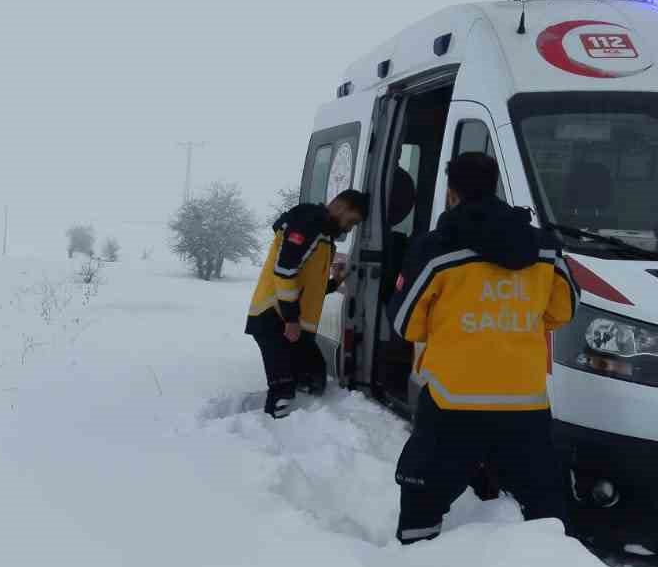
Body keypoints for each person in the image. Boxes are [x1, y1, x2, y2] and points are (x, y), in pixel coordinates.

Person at [390, 151, 578, 544]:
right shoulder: (545, 248)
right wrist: (515, 323)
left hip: (451, 398)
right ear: (494, 185)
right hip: (525, 401)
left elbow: (407, 323)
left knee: (424, 494)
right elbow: (563, 310)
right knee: (543, 506)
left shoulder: (436, 248)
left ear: (452, 193)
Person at [246, 188, 368, 417]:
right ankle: (268, 439)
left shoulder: (325, 237)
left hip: (294, 323)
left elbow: (310, 288)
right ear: (341, 207)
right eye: (351, 221)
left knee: (315, 379)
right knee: (283, 389)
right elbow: (284, 271)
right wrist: (291, 319)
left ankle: (301, 429)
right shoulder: (308, 222)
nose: (349, 228)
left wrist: (335, 281)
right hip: (274, 318)